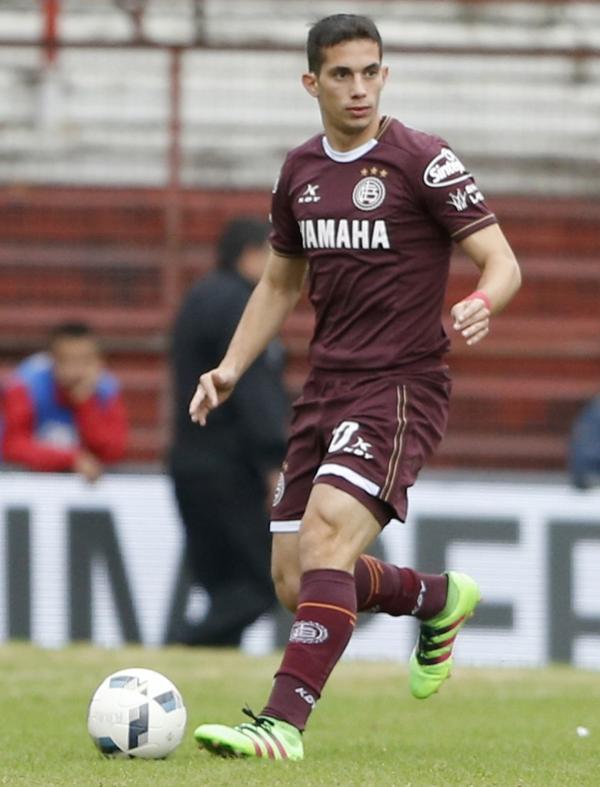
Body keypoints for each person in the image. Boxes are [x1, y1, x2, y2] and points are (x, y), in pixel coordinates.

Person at [190, 14, 522, 761]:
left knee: (325, 538)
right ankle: (436, 597)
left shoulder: (423, 160)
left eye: (371, 72)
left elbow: (502, 261)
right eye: (341, 74)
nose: (359, 88)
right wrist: (231, 367)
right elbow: (280, 282)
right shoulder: (299, 171)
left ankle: (281, 724)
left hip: (399, 385)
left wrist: (482, 300)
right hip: (326, 387)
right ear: (312, 82)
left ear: (385, 75)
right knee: (293, 579)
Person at [169, 217, 289, 646]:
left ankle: (196, 654)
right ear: (252, 254)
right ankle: (183, 647)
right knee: (261, 581)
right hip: (230, 466)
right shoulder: (242, 305)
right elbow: (252, 389)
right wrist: (274, 460)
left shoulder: (199, 296)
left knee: (223, 585)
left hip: (190, 458)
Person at [1, 321, 128, 482]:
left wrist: (85, 404)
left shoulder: (105, 390)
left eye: (85, 360)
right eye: (67, 360)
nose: (76, 370)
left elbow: (112, 453)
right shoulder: (26, 385)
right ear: (52, 360)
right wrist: (72, 459)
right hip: (27, 483)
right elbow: (12, 446)